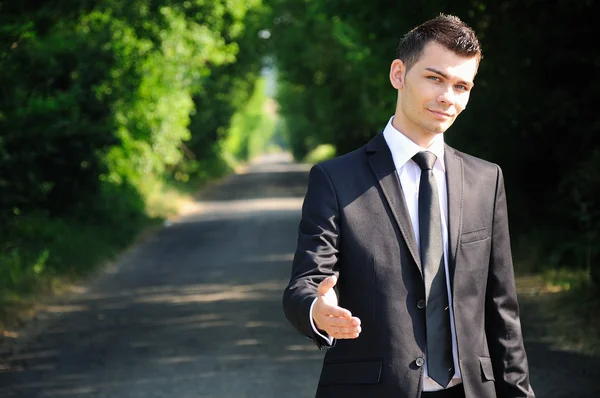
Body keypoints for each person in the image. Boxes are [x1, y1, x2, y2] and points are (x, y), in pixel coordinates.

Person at [282, 13, 535, 398]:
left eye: (461, 86)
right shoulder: (335, 179)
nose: (448, 97)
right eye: (434, 78)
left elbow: (502, 310)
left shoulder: (487, 179)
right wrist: (317, 310)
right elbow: (307, 280)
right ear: (399, 74)